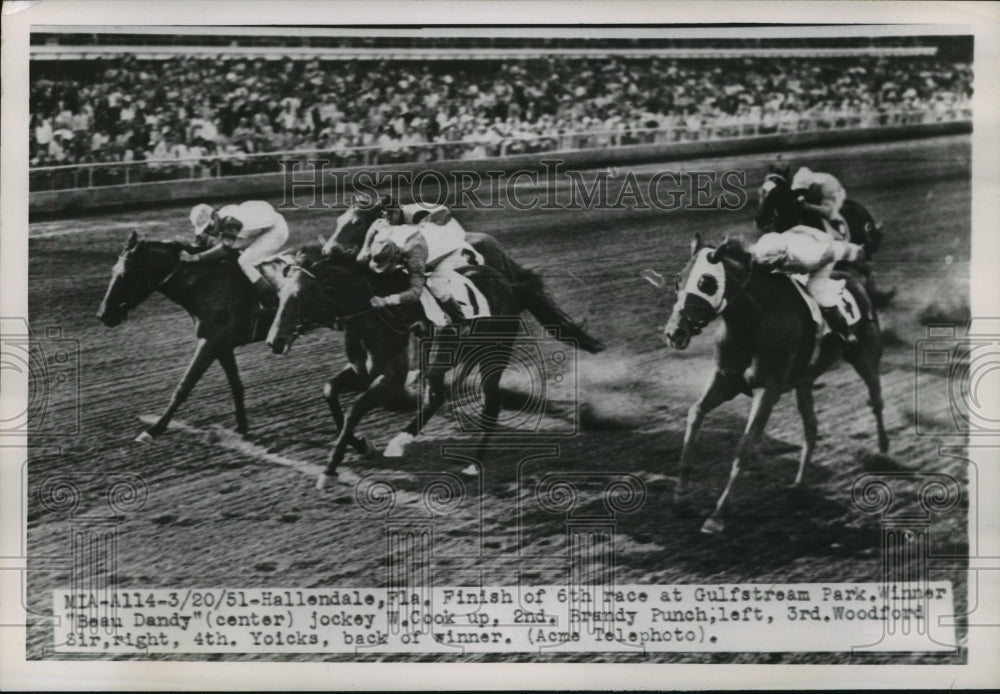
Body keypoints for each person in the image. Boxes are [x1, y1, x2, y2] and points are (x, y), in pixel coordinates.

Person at [356, 200, 483, 325]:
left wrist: (386, 301)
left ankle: (461, 321)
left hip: (450, 247)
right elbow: (376, 225)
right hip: (423, 236)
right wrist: (365, 249)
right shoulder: (384, 233)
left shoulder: (414, 257)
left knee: (435, 285)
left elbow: (416, 293)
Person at [751, 225, 864, 345]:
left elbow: (836, 252)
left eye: (774, 262)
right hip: (798, 239)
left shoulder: (809, 257)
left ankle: (845, 332)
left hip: (822, 255)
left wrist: (855, 251)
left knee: (815, 290)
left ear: (782, 257)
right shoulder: (763, 249)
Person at [182, 200, 289, 306]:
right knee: (234, 249)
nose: (210, 232)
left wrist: (196, 257)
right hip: (261, 228)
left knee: (244, 262)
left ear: (215, 216)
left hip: (275, 231)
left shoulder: (229, 221)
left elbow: (224, 250)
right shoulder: (220, 216)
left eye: (209, 227)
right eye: (206, 230)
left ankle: (271, 298)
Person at [790, 165, 848, 240]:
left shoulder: (823, 187)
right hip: (820, 193)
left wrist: (808, 206)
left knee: (833, 215)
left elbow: (827, 211)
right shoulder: (806, 181)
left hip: (834, 195)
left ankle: (842, 233)